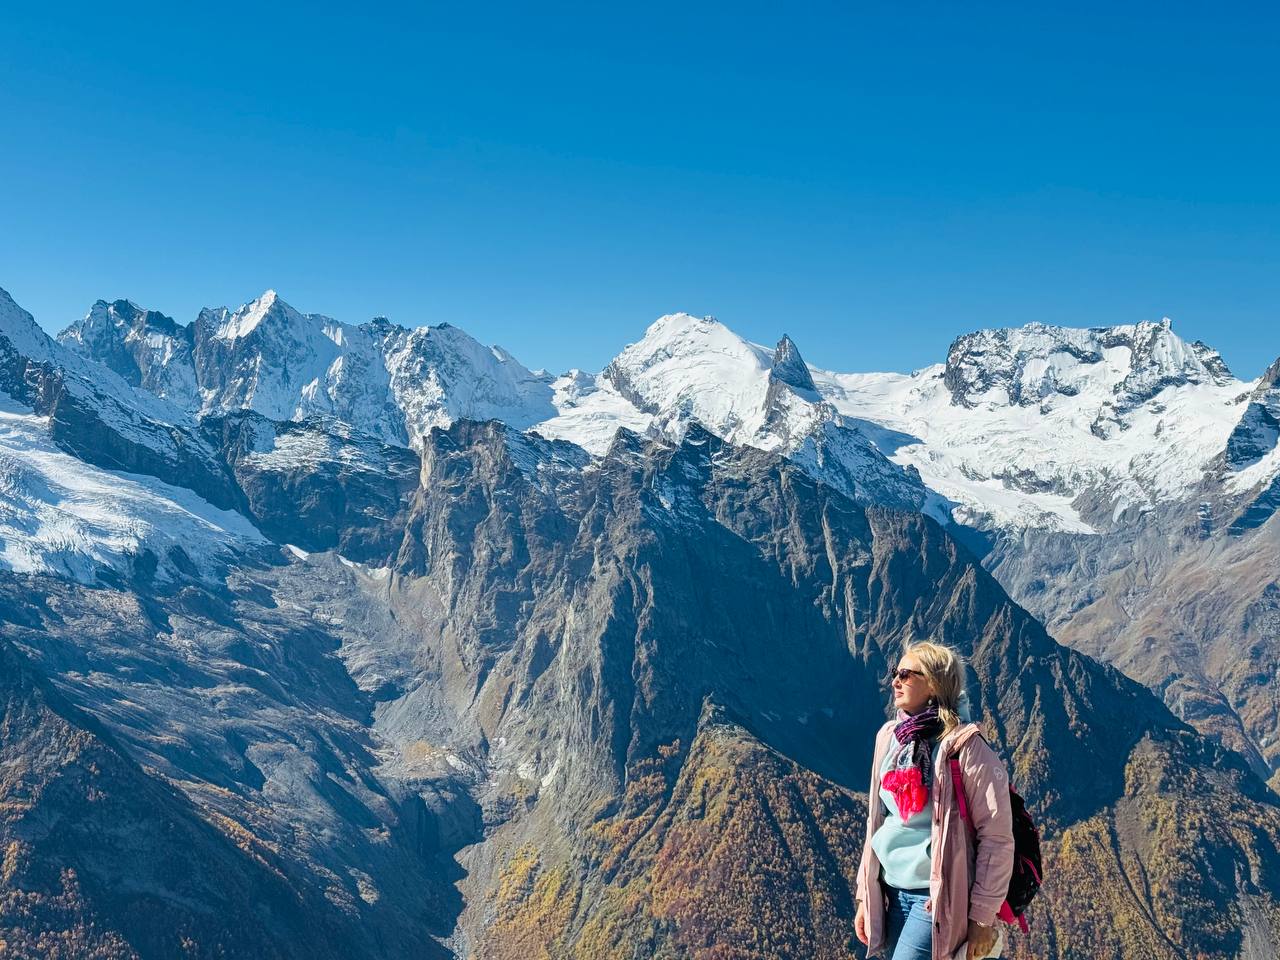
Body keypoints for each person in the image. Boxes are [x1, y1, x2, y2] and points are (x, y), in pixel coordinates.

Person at [854, 642, 1014, 960]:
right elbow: (878, 820)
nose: (894, 681)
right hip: (891, 892)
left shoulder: (965, 747)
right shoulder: (889, 737)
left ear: (933, 684)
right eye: (894, 673)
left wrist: (982, 916)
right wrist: (865, 896)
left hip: (936, 898)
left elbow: (996, 837)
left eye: (905, 674)